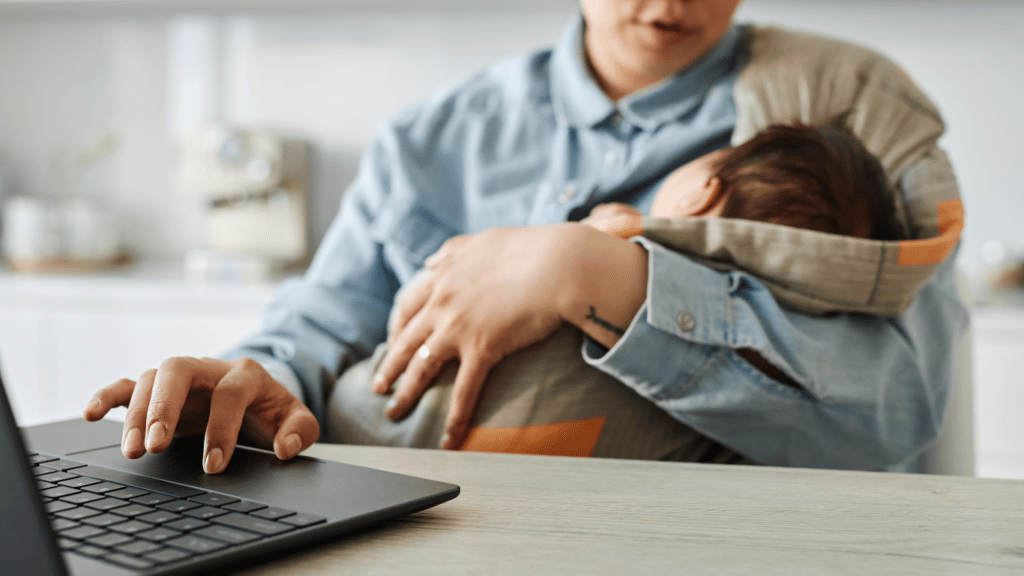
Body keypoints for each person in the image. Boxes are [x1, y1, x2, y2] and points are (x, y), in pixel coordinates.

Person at [83, 0, 967, 474]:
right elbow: (321, 318)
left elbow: (893, 414)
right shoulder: (432, 137)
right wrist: (258, 376)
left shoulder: (840, 119)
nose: (672, 0)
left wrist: (607, 280)